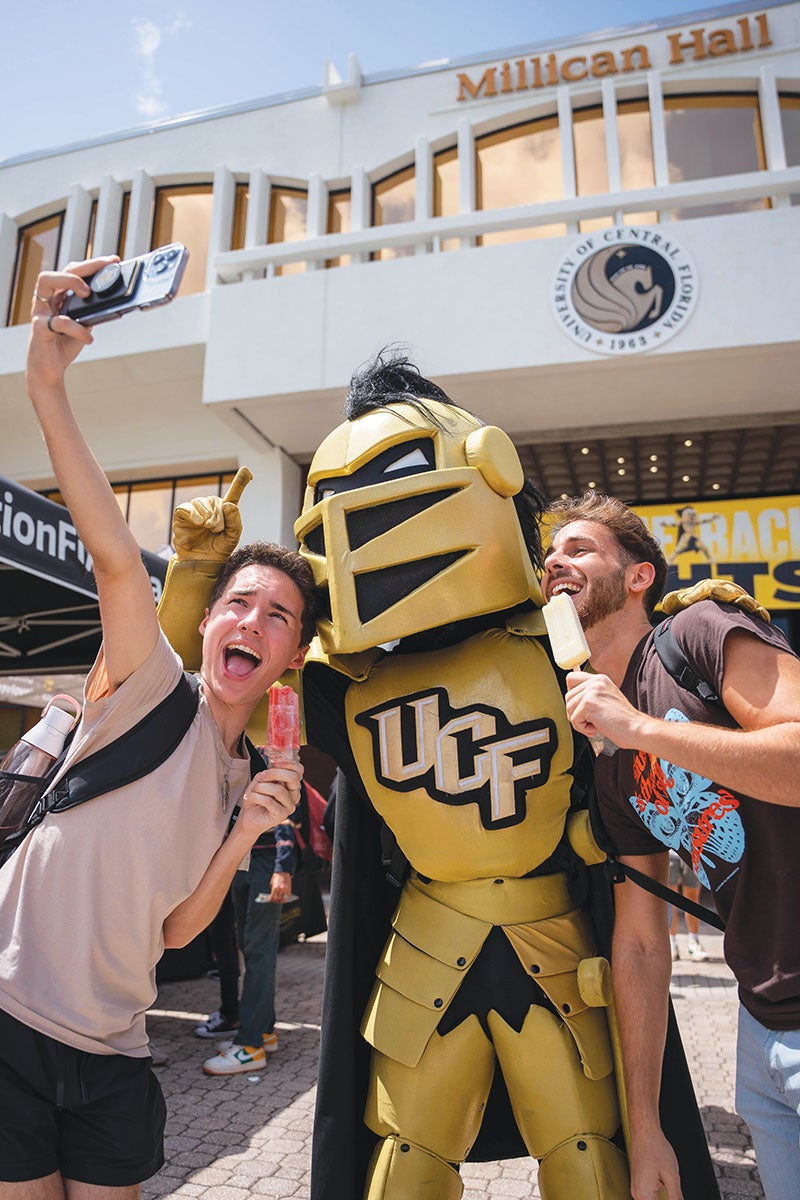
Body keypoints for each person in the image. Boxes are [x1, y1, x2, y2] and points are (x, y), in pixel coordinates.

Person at [158, 351, 717, 1200]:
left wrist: (685, 625)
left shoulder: (563, 643)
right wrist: (200, 575)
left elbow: (656, 665)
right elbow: (222, 671)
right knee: (405, 1166)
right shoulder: (346, 681)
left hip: (554, 940)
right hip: (424, 948)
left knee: (586, 1158)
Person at [0, 256, 317, 1198]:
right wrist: (48, 385)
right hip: (9, 1018)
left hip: (115, 1050)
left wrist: (246, 836)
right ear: (210, 617)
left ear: (290, 659)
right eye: (241, 604)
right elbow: (111, 558)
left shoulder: (248, 780)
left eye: (279, 617)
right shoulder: (148, 684)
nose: (253, 623)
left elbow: (178, 933)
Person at [544, 491, 800, 1200]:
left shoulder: (698, 632)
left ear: (638, 577)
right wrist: (645, 1124)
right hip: (763, 1017)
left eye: (578, 549)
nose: (555, 564)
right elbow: (640, 943)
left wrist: (642, 730)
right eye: (548, 557)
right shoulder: (606, 759)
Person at [201, 810, 296, 1074]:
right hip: (243, 859)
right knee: (250, 947)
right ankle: (263, 1030)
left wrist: (283, 867)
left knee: (259, 951)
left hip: (266, 860)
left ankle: (250, 1045)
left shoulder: (261, 766)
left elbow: (287, 809)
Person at [667, 849, 709, 962]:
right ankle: (671, 942)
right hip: (669, 851)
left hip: (692, 852)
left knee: (693, 897)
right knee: (670, 899)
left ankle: (694, 941)